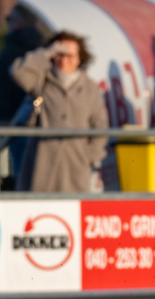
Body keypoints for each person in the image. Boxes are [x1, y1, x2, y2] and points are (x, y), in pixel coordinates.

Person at [10, 31, 109, 192]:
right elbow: (17, 71)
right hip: (42, 166)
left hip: (76, 170)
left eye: (70, 55)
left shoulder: (90, 88)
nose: (64, 60)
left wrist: (88, 156)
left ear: (79, 59)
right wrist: (47, 52)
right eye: (59, 54)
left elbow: (100, 127)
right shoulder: (42, 80)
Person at [0, 4, 43, 188]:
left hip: (19, 120)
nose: (8, 24)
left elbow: (17, 78)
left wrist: (9, 116)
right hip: (24, 120)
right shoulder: (37, 47)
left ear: (19, 22)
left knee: (23, 175)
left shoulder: (16, 49)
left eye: (10, 19)